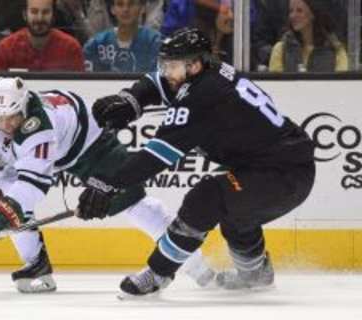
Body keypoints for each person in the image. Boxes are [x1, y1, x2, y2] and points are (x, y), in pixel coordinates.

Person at [76, 28, 316, 297]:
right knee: (235, 209)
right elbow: (156, 83)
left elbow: (155, 157)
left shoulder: (203, 95)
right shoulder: (208, 73)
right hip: (276, 166)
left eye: (174, 66)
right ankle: (256, 274)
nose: (168, 72)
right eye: (165, 64)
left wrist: (108, 184)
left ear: (195, 64)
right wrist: (131, 100)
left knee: (207, 197)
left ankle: (158, 273)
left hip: (283, 175)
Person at [0, 76, 215, 293]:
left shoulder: (40, 123)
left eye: (12, 117)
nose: (6, 125)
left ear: (25, 107)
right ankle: (36, 266)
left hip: (90, 143)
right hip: (45, 145)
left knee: (135, 205)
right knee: (8, 200)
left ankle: (200, 268)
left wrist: (4, 210)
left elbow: (33, 182)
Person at [0, 0, 84, 71]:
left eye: (45, 12)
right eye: (34, 12)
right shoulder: (5, 49)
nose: (40, 18)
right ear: (24, 15)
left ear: (54, 15)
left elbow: (79, 90)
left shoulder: (71, 48)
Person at [268, 0, 348, 72]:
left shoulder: (336, 50)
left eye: (299, 11)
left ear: (313, 14)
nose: (292, 16)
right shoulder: (280, 49)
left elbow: (341, 85)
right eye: (291, 11)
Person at [83, 0, 161, 72]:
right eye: (120, 4)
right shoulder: (95, 44)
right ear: (112, 9)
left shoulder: (155, 41)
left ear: (143, 8)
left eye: (131, 4)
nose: (125, 9)